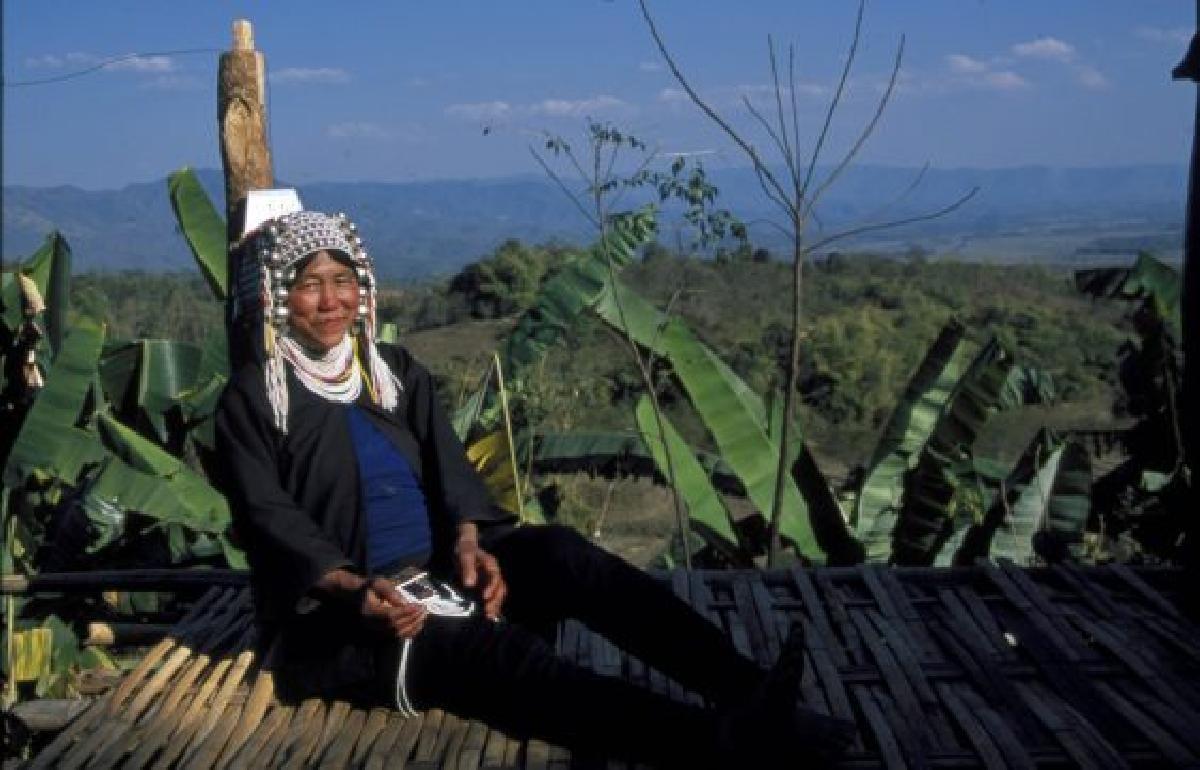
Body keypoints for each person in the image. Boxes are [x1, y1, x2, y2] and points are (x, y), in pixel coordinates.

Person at [214, 210, 854, 768]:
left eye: (343, 280)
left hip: (440, 573)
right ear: (279, 296)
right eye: (310, 285)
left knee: (562, 554)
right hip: (352, 621)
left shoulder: (394, 373)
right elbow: (267, 518)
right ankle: (721, 741)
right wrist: (353, 588)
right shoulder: (254, 400)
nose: (331, 301)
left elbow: (450, 468)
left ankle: (749, 691)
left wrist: (469, 541)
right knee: (509, 663)